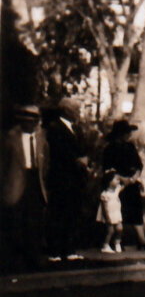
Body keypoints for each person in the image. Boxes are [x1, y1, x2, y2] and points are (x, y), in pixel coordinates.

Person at [2, 104, 48, 272]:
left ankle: (34, 258)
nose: (30, 125)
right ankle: (16, 260)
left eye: (33, 121)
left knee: (35, 222)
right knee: (17, 222)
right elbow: (4, 164)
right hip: (16, 183)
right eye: (26, 121)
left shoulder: (41, 137)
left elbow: (46, 162)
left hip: (35, 181)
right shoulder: (10, 138)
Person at [43, 99, 89, 263]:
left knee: (72, 214)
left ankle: (69, 249)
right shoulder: (55, 128)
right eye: (76, 109)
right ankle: (54, 251)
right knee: (59, 214)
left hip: (75, 179)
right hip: (61, 178)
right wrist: (76, 160)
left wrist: (84, 159)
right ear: (66, 110)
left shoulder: (76, 129)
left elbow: (83, 148)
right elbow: (60, 152)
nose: (78, 112)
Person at [101, 119, 145, 251]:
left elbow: (138, 164)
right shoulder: (110, 149)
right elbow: (108, 169)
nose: (129, 135)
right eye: (127, 132)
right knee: (119, 211)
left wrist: (135, 176)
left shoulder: (130, 147)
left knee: (136, 209)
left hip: (132, 182)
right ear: (120, 133)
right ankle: (118, 240)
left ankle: (142, 240)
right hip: (117, 185)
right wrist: (122, 179)